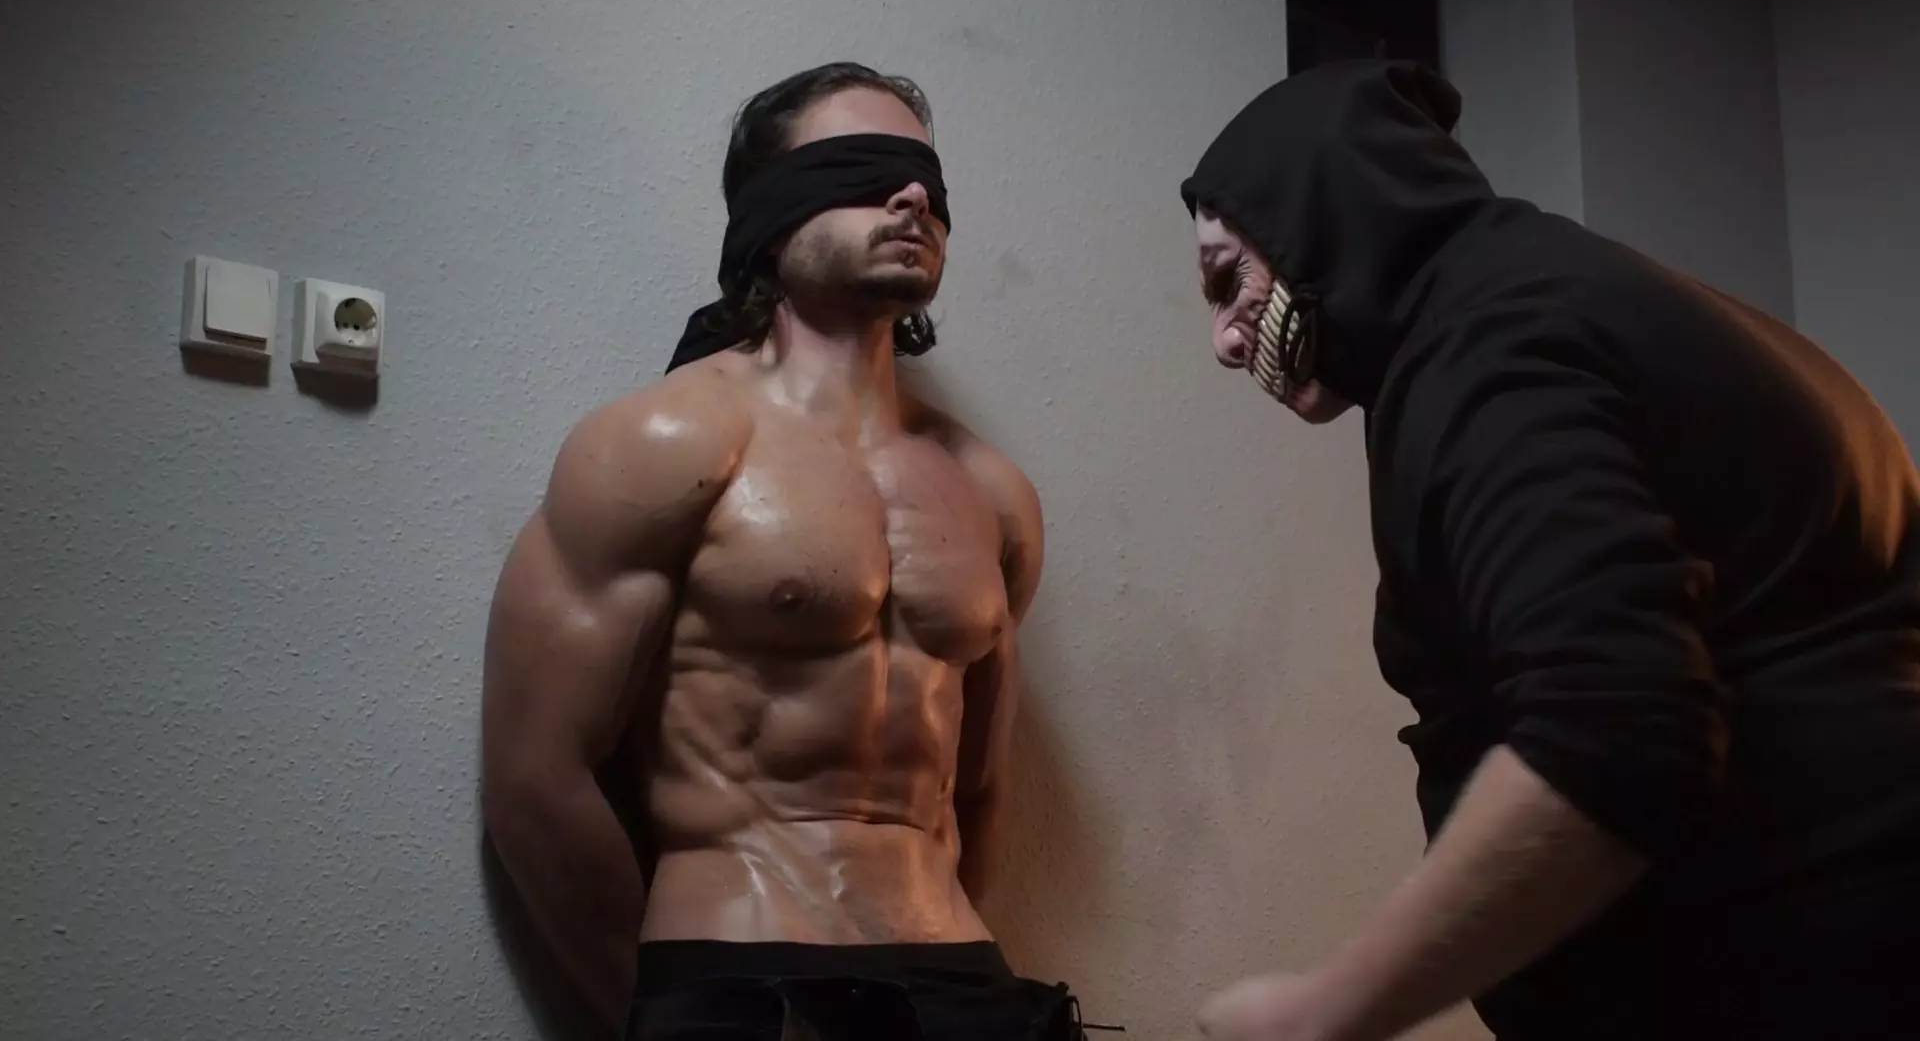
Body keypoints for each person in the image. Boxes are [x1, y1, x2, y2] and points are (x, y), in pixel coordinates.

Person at [1178, 59, 1920, 1041]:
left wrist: (1323, 1013)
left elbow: (1616, 730)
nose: (1225, 343)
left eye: (1227, 280)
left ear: (1319, 215)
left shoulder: (1488, 348)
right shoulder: (1551, 295)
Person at [481, 62, 1084, 1040]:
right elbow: (534, 778)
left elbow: (979, 789)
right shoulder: (667, 444)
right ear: (769, 214)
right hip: (739, 968)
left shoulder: (992, 493)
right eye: (863, 169)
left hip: (961, 975)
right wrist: (654, 1016)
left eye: (929, 179)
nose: (913, 197)